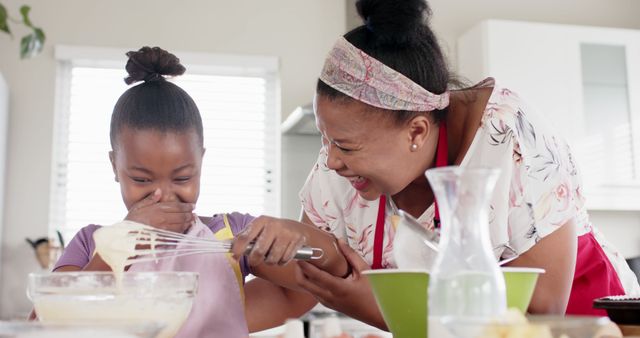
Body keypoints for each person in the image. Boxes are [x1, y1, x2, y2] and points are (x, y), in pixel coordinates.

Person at [233, 0, 640, 327]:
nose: (332, 160)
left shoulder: (509, 140)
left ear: (417, 132)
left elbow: (537, 313)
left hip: (591, 322)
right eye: (326, 139)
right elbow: (297, 290)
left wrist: (372, 307)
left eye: (345, 145)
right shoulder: (340, 168)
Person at [50, 46, 348, 337]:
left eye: (182, 178)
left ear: (200, 163)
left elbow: (310, 289)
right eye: (142, 180)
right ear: (115, 166)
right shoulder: (91, 244)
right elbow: (47, 320)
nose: (163, 195)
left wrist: (292, 239)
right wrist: (116, 247)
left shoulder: (231, 237)